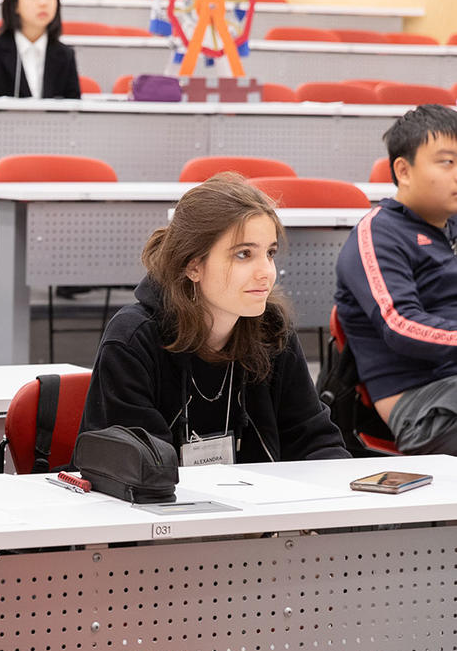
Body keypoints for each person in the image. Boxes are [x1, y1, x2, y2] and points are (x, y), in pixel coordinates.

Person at [80, 174, 348, 464]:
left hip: (256, 494)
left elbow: (316, 441)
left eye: (270, 253)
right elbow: (137, 468)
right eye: (243, 254)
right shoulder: (134, 338)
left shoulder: (271, 331)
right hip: (158, 494)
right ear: (193, 266)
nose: (266, 272)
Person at [335, 104, 457, 454]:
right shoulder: (378, 234)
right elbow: (400, 325)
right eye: (447, 162)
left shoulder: (450, 225)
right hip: (422, 406)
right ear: (403, 170)